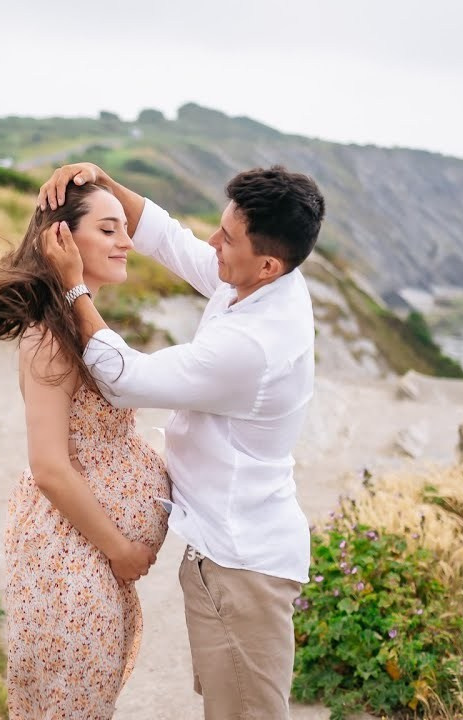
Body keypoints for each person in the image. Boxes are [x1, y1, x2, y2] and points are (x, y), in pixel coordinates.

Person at [40, 162, 326, 719]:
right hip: (227, 553)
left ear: (267, 263)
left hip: (243, 565)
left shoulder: (257, 345)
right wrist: (104, 182)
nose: (213, 243)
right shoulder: (259, 277)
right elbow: (172, 240)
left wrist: (73, 287)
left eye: (228, 238)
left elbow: (130, 381)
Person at [0, 181, 169, 719]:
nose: (125, 241)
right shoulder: (50, 339)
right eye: (107, 228)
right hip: (71, 556)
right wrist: (121, 549)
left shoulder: (78, 323)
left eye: (124, 228)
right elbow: (49, 467)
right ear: (61, 238)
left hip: (89, 556)